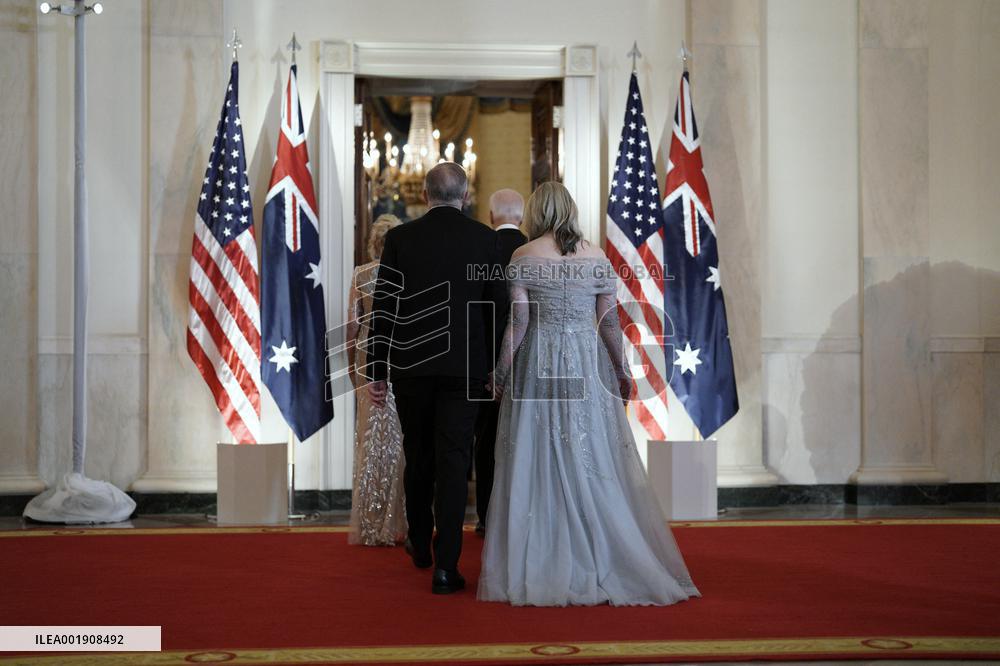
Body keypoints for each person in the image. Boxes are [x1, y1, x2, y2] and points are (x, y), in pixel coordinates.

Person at [479, 182, 700, 606]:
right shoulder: (597, 257)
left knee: (540, 450)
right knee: (591, 451)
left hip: (540, 359)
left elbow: (519, 323)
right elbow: (610, 323)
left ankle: (546, 554)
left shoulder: (523, 257)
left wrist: (500, 371)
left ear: (536, 213)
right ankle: (604, 554)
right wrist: (622, 370)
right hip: (585, 357)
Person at [367, 163, 501, 595]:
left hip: (412, 368)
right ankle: (447, 567)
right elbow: (494, 311)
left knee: (419, 453)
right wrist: (495, 369)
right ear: (465, 196)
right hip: (466, 369)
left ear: (425, 195)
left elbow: (384, 308)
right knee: (455, 462)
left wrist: (377, 371)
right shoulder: (485, 239)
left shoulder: (401, 239)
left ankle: (421, 543)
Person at [346, 214, 406, 547]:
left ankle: (370, 522)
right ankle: (402, 521)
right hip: (402, 355)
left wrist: (348, 358)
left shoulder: (361, 274)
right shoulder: (407, 274)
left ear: (374, 242)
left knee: (369, 437)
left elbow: (353, 325)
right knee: (401, 439)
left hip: (366, 358)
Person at [474, 189, 527, 535]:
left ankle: (486, 517)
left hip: (485, 363)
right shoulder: (537, 249)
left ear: (491, 216)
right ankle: (524, 515)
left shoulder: (477, 249)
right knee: (526, 439)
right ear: (521, 218)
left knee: (487, 440)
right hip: (530, 362)